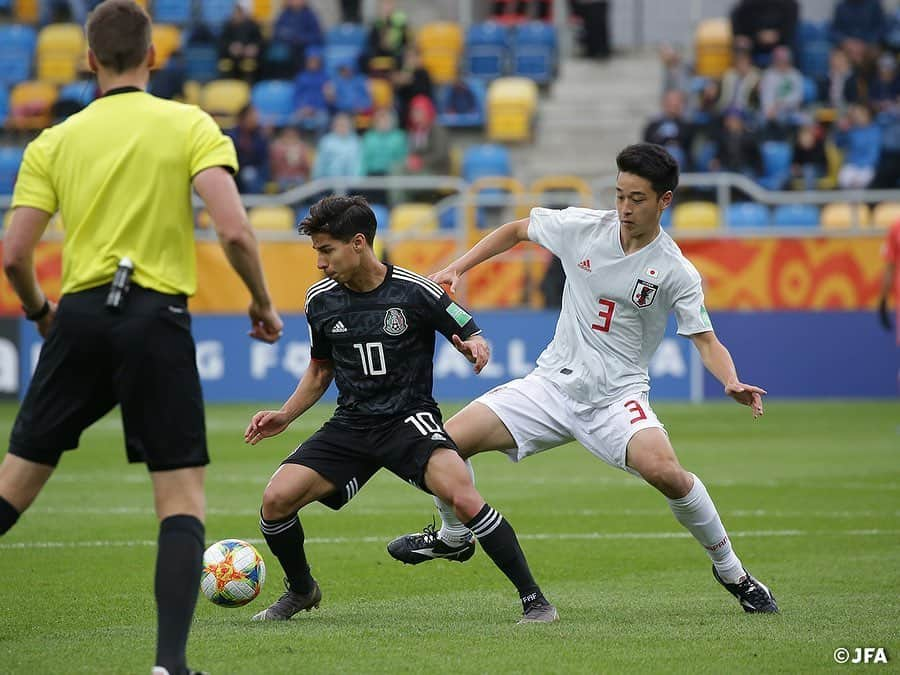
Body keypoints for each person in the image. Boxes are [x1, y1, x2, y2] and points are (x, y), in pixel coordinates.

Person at [0, 2, 284, 675]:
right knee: (181, 497)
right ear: (153, 57)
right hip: (155, 317)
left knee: (13, 486)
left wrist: (43, 313)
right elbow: (236, 231)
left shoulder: (54, 142)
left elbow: (14, 254)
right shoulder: (188, 124)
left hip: (79, 316)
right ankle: (169, 666)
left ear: (89, 60)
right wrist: (263, 302)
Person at [387, 143, 780, 616]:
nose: (625, 208)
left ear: (665, 201)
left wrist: (731, 381)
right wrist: (457, 267)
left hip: (617, 398)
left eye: (637, 198)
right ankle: (453, 537)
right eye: (619, 195)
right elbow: (516, 230)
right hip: (550, 386)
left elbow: (705, 341)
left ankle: (733, 572)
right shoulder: (584, 229)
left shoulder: (675, 270)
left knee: (668, 475)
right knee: (441, 446)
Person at [243, 195, 557, 624]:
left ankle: (535, 601)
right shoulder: (320, 300)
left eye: (325, 250)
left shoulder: (416, 290)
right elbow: (320, 371)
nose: (319, 262)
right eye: (316, 251)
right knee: (276, 500)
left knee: (463, 496)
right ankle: (301, 591)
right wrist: (285, 415)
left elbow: (468, 328)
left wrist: (475, 345)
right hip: (351, 425)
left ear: (358, 243)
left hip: (409, 420)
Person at [879, 218, 899, 341]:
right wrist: (883, 301)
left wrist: (883, 301)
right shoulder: (896, 229)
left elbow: (890, 269)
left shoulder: (896, 228)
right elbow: (890, 269)